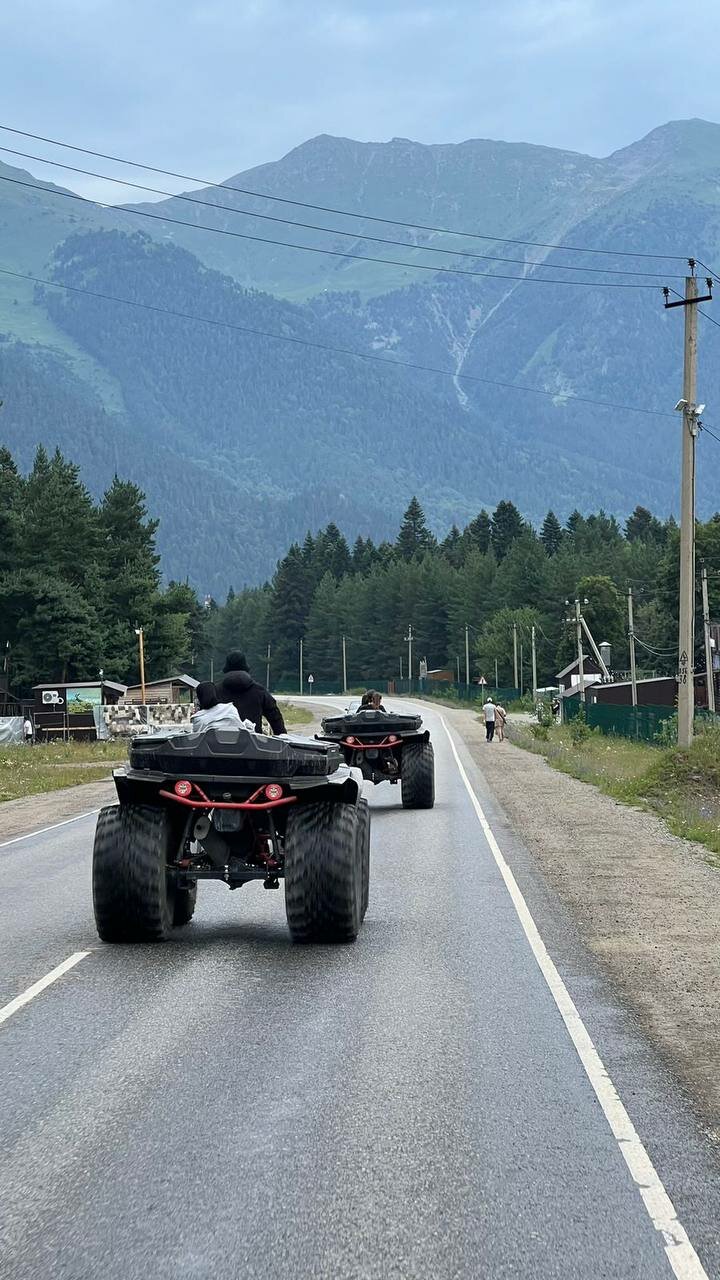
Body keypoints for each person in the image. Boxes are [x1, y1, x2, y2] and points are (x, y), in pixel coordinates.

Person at [220, 652, 287, 735]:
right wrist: (282, 736)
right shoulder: (259, 691)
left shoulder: (216, 691)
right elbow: (275, 717)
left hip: (219, 741)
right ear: (245, 667)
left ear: (226, 667)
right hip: (253, 741)